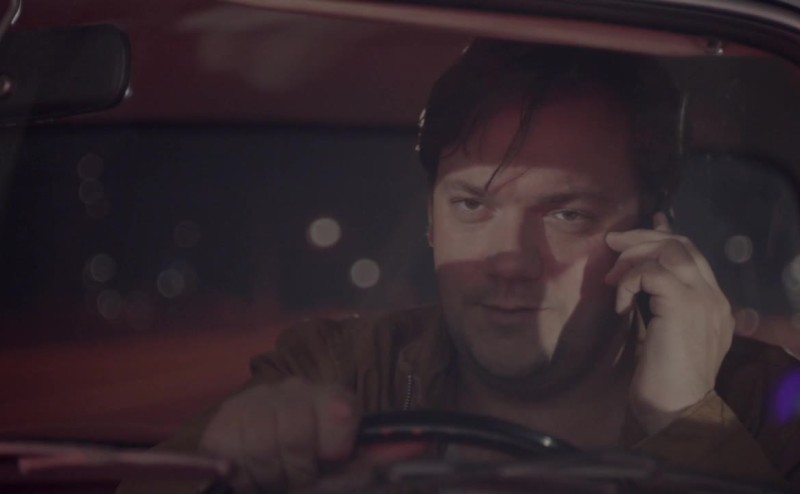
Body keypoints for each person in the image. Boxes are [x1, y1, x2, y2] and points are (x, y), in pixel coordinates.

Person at [118, 40, 800, 493]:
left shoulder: (765, 399)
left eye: (568, 214)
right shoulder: (342, 366)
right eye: (473, 205)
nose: (509, 260)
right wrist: (237, 451)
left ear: (652, 236)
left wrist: (684, 420)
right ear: (430, 221)